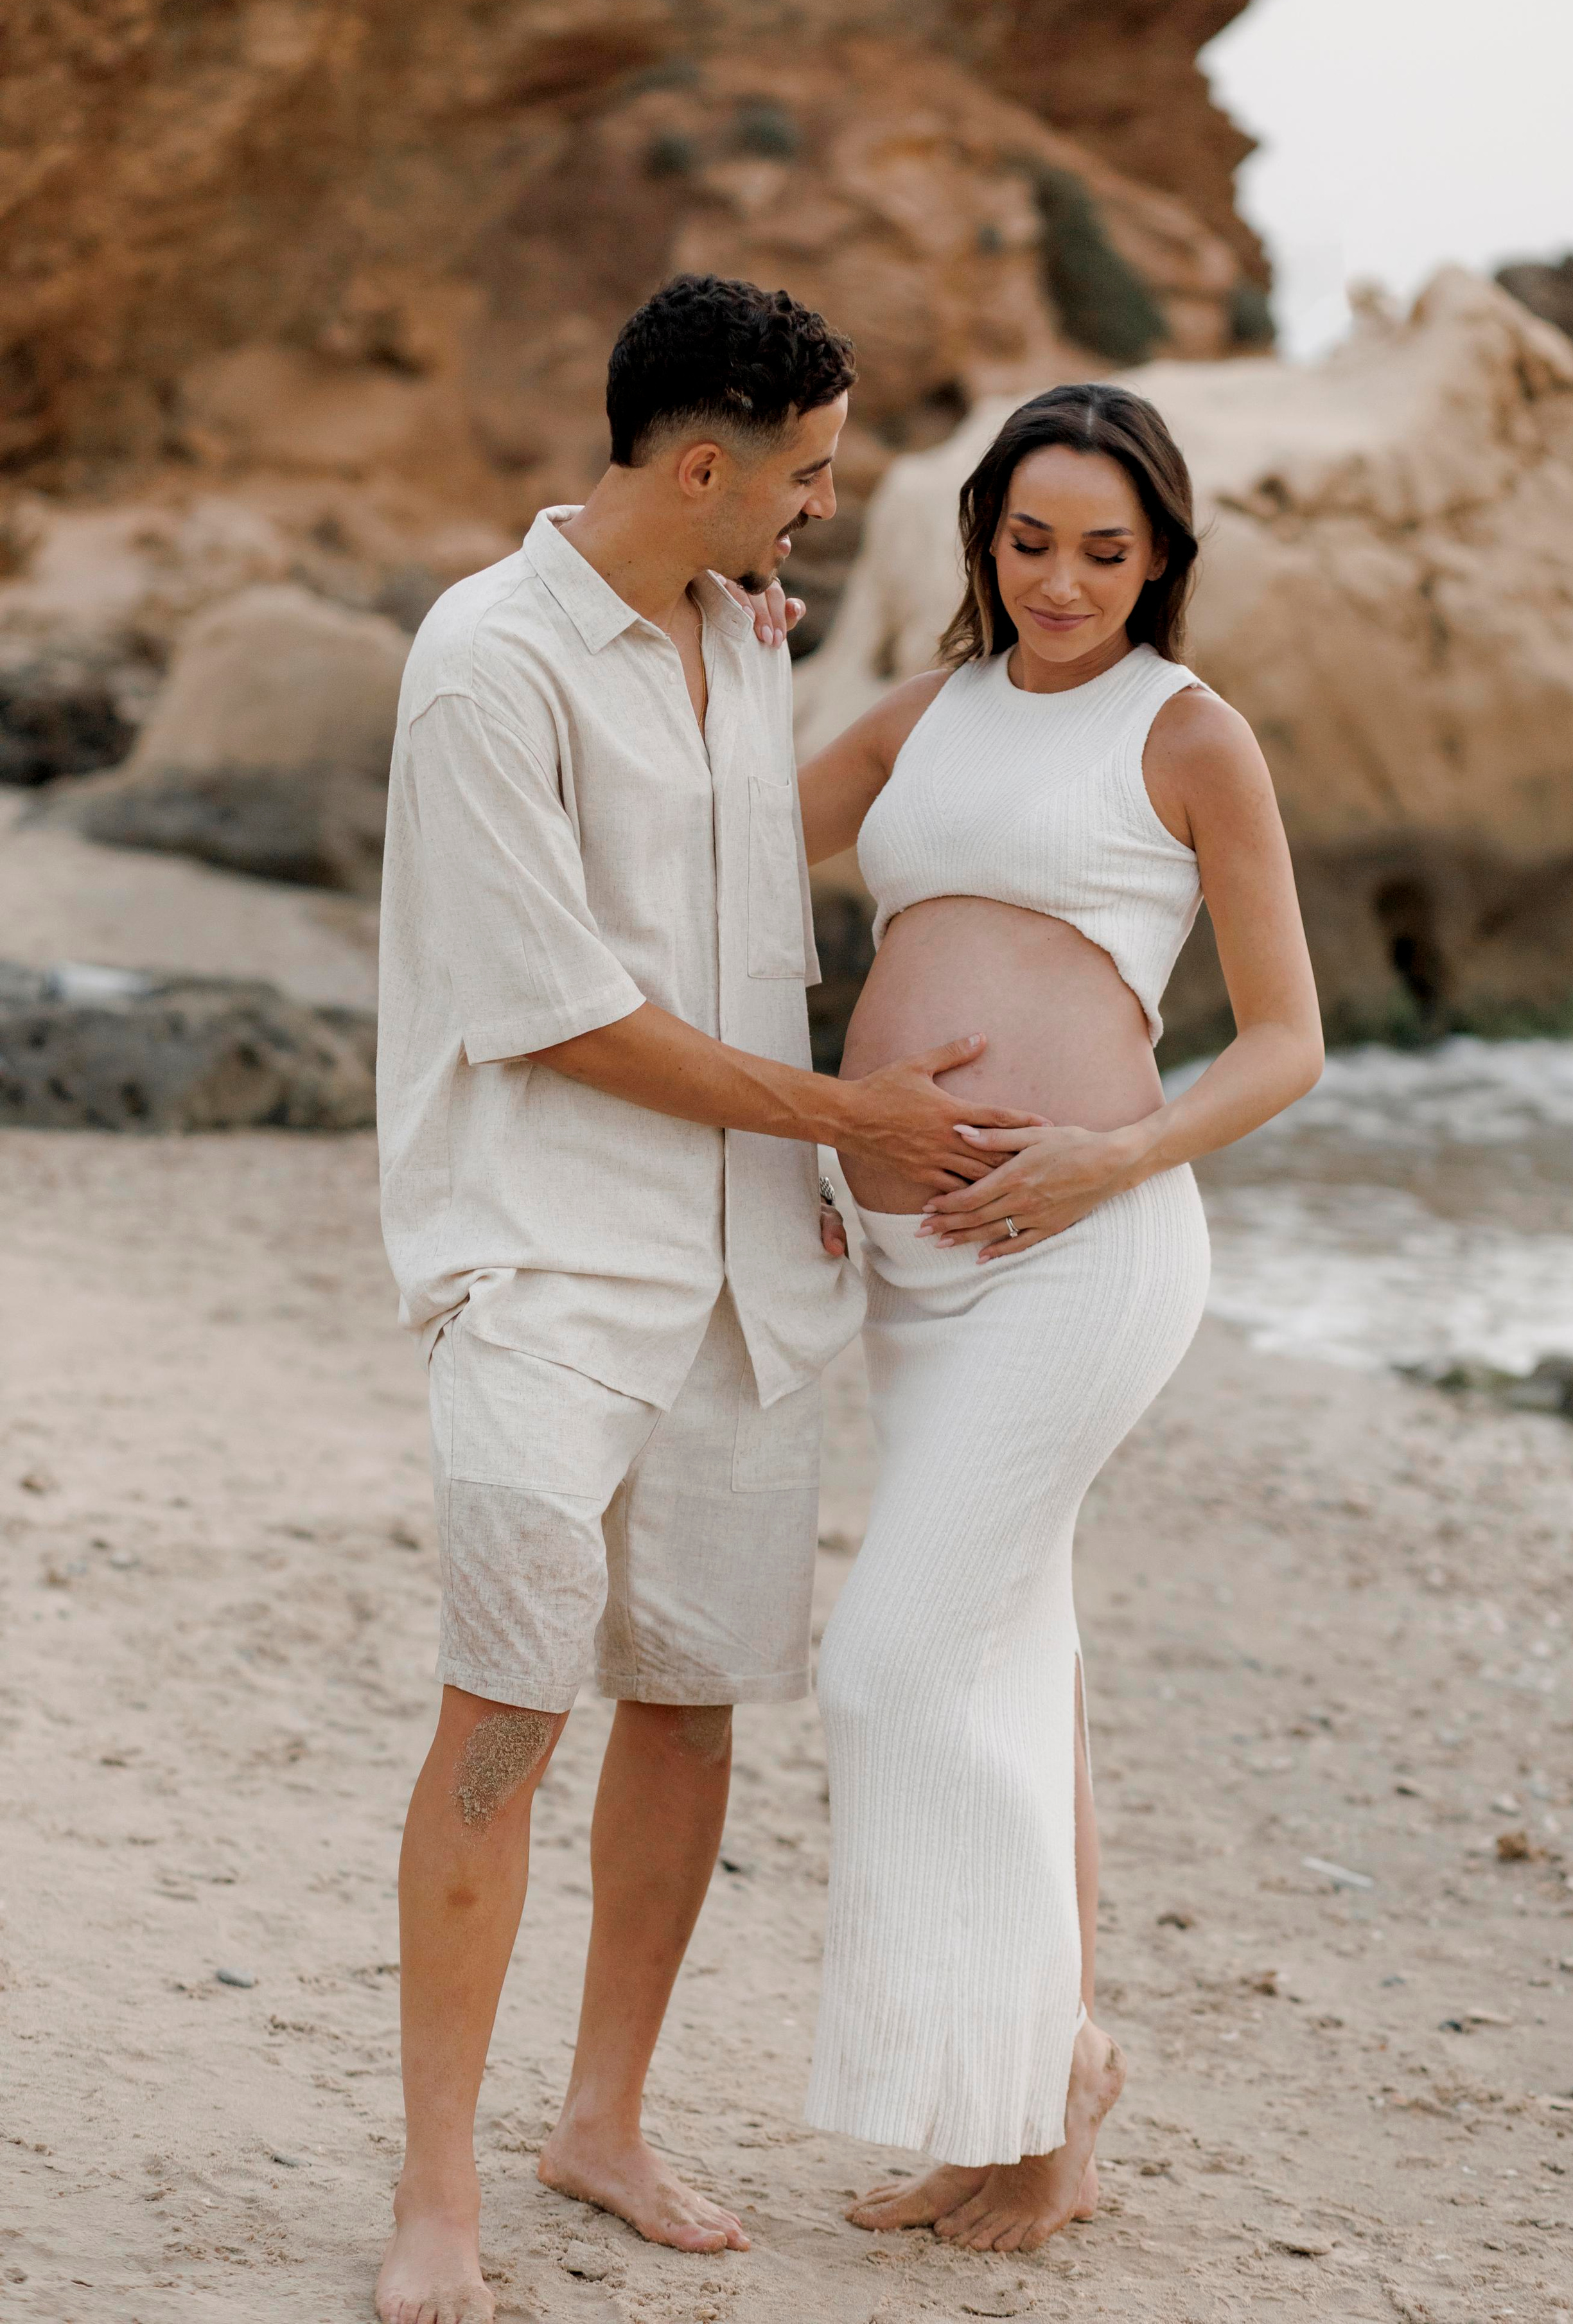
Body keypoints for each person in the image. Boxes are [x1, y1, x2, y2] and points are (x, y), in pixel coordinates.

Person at [371, 274, 1042, 2324]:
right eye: (811, 478)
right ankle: (436, 2196)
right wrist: (851, 1112)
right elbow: (561, 1011)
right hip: (551, 1262)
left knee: (686, 1704)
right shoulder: (489, 666)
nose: (823, 516)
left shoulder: (738, 636)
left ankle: (602, 2120)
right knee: (508, 1708)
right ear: (702, 463)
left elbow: (782, 864)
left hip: (758, 1283)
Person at [796, 384, 1324, 2253]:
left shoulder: (1190, 737)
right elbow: (734, 840)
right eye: (1031, 543)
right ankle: (1009, 2119)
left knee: (886, 1664)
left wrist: (1113, 1159)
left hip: (1084, 1255)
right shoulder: (928, 714)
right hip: (922, 1278)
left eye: (1107, 550)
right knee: (1014, 1683)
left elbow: (1286, 1043)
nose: (1063, 583)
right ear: (985, 542)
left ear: (1162, 554)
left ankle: (1062, 2075)